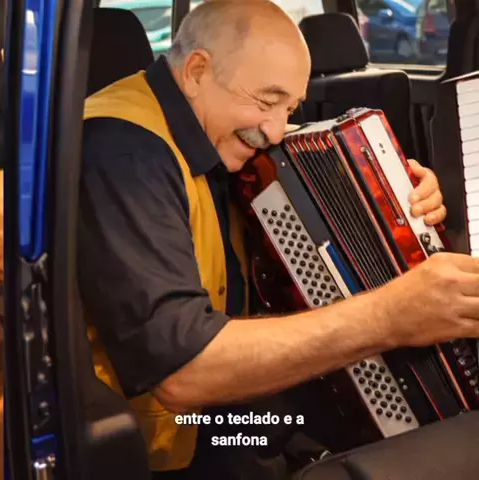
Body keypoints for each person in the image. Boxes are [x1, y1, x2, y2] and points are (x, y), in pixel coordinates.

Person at [78, 1, 479, 479]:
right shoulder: (124, 152)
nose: (274, 131)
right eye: (266, 101)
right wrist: (392, 316)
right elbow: (184, 371)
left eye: (290, 108)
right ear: (197, 71)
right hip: (171, 437)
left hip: (229, 407)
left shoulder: (210, 124)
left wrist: (403, 195)